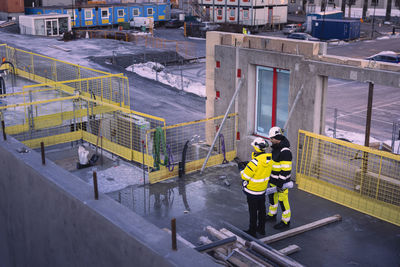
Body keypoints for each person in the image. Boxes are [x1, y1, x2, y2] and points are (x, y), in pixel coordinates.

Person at [240, 137, 272, 237]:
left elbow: (244, 176)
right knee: (262, 210)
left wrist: (242, 169)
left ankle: (252, 231)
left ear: (257, 148)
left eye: (254, 146)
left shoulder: (254, 163)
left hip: (252, 191)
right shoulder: (269, 159)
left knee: (253, 212)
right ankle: (261, 229)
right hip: (262, 190)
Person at [266, 126, 292, 230]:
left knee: (283, 201)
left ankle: (286, 221)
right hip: (273, 180)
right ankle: (272, 215)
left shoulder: (285, 151)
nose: (270, 140)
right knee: (272, 198)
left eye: (271, 138)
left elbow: (286, 170)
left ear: (277, 138)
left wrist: (280, 183)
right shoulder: (276, 148)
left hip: (282, 182)